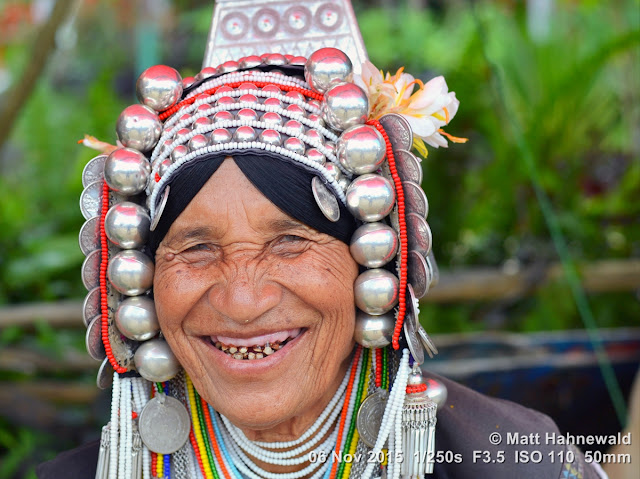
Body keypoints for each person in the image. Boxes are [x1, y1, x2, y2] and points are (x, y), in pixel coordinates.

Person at [38, 3, 608, 478]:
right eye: (196, 249)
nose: (243, 300)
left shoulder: (512, 459)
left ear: (375, 264)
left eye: (289, 242)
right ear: (141, 276)